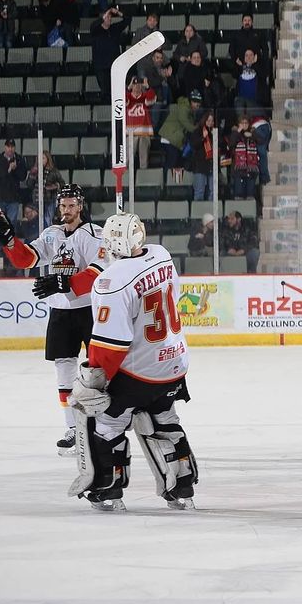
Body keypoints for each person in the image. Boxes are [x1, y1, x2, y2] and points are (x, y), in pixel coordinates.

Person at [64, 211, 195, 512]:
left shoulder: (111, 281)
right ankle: (183, 488)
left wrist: (94, 378)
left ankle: (108, 489)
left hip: (139, 372)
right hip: (173, 363)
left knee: (106, 423)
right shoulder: (161, 255)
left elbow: (111, 345)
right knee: (165, 419)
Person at [0, 185, 105, 454]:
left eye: (71, 205)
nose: (66, 210)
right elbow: (28, 258)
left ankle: (102, 426)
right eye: (62, 205)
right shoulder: (51, 234)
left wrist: (63, 282)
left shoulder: (94, 234)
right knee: (64, 370)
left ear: (80, 206)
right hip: (61, 312)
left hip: (90, 310)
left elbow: (98, 272)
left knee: (96, 371)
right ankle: (72, 428)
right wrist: (9, 241)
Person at [90, 7, 132, 95]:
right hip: (101, 66)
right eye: (107, 17)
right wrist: (108, 11)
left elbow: (128, 19)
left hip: (114, 65)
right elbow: (94, 24)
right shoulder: (96, 30)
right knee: (105, 91)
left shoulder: (114, 28)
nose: (109, 19)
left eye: (110, 17)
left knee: (116, 90)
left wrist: (117, 12)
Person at [0, 137, 27, 222]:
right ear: (5, 147)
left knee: (11, 224)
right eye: (8, 147)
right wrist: (9, 170)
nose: (10, 149)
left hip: (14, 198)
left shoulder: (19, 159)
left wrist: (16, 169)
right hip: (0, 197)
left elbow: (23, 176)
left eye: (12, 147)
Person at [227, 117, 259, 199]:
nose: (244, 125)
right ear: (239, 124)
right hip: (239, 170)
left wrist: (252, 135)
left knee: (250, 195)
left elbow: (260, 141)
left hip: (251, 169)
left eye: (246, 123)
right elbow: (230, 144)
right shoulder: (235, 133)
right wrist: (238, 132)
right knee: (239, 194)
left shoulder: (253, 133)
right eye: (242, 123)